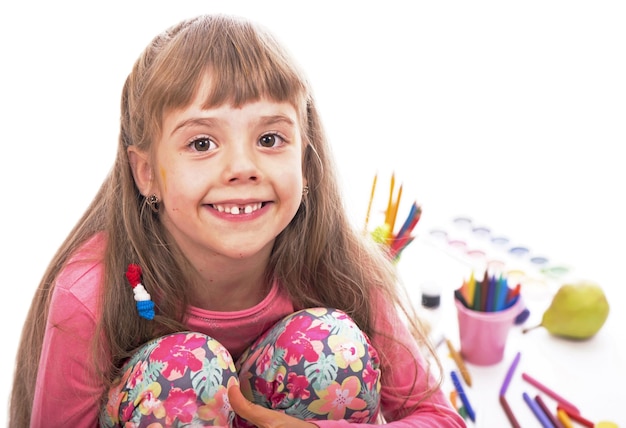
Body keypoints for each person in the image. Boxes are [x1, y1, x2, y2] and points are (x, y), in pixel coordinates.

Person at [10, 14, 465, 428]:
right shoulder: (92, 294)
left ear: (305, 162)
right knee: (187, 373)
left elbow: (439, 419)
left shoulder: (342, 265)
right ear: (146, 173)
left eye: (270, 138)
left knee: (330, 346)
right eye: (203, 143)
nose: (242, 167)